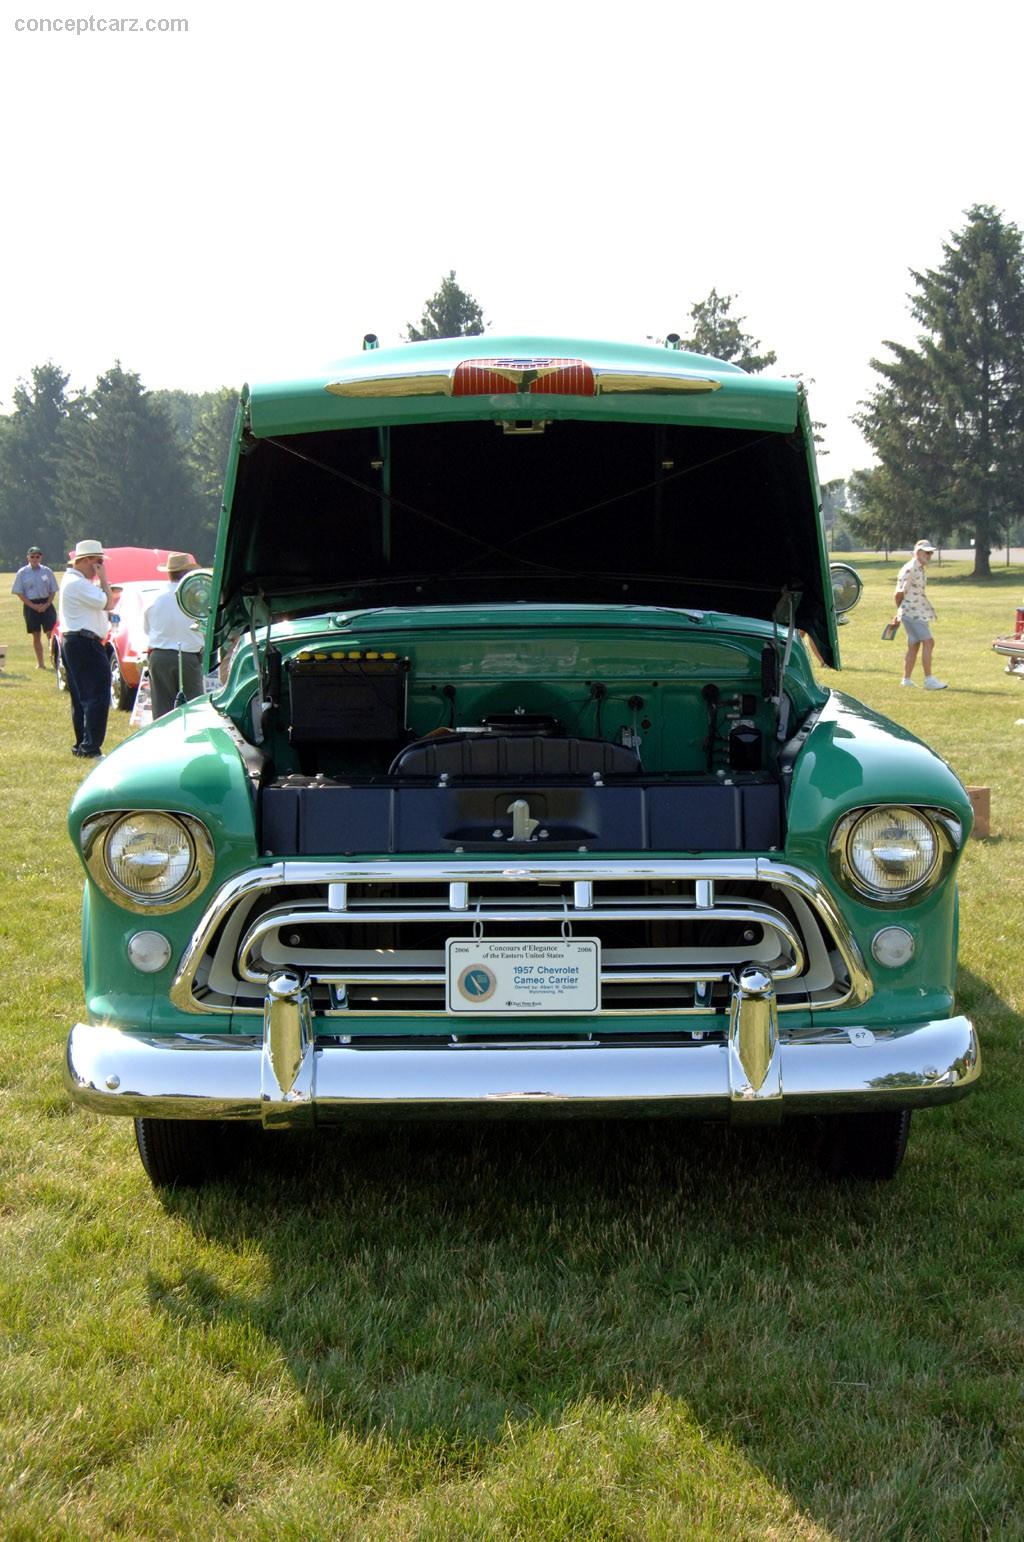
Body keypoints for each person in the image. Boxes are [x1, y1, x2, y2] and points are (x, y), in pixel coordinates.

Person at [58, 539, 115, 757]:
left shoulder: (73, 581)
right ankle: (91, 746)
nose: (100, 566)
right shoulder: (78, 584)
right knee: (97, 695)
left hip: (76, 641)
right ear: (87, 560)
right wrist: (104, 579)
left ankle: (83, 743)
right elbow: (108, 603)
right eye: (98, 562)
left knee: (82, 695)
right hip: (84, 641)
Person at [143, 551, 204, 719]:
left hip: (160, 655)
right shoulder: (196, 599)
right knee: (193, 709)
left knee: (162, 710)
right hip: (188, 656)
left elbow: (147, 628)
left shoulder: (154, 597)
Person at [891, 539, 947, 689]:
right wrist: (900, 612)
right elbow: (898, 593)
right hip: (912, 612)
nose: (929, 555)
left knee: (914, 645)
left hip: (918, 612)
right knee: (929, 642)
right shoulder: (911, 568)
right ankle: (929, 680)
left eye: (930, 553)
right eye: (926, 552)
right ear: (918, 553)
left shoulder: (919, 568)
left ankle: (906, 680)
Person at [10, 545, 58, 669]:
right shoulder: (22, 573)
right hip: (31, 605)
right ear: (28, 558)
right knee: (36, 635)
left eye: (37, 556)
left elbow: (53, 590)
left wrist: (47, 604)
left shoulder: (47, 571)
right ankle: (40, 663)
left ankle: (56, 661)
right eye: (32, 556)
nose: (35, 559)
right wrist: (33, 606)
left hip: (46, 603)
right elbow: (19, 592)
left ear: (41, 557)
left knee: (51, 634)